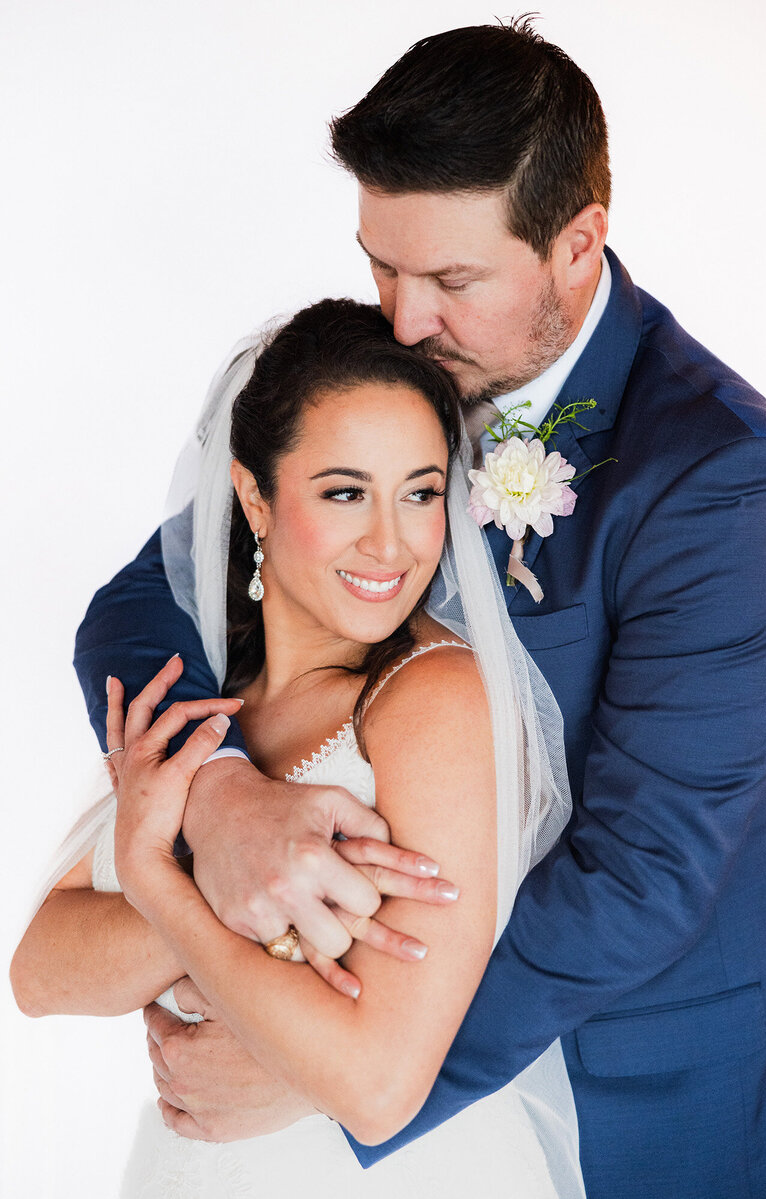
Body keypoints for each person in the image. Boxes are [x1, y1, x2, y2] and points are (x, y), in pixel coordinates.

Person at [66, 18, 766, 1199]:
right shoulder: (389, 371)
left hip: (637, 1072)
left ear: (577, 242)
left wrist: (341, 1066)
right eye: (379, 265)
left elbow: (643, 872)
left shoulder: (720, 478)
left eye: (451, 280)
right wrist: (218, 789)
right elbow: (134, 609)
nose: (403, 323)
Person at [12, 298, 578, 1197]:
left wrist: (159, 877)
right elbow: (40, 969)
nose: (391, 542)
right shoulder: (207, 696)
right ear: (252, 496)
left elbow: (378, 1085)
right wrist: (226, 890)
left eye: (421, 492)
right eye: (345, 491)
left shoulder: (432, 700)